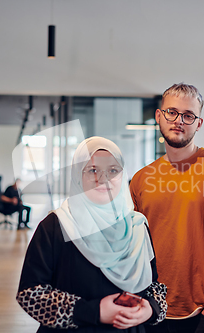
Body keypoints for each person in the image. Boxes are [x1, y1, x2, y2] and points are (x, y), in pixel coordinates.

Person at [130, 83, 204, 333]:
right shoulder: (141, 179)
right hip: (155, 310)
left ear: (198, 123)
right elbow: (138, 248)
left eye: (188, 115)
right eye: (172, 112)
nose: (179, 121)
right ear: (159, 116)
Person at [17, 137, 167, 332]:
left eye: (113, 170)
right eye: (93, 170)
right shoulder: (56, 225)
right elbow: (30, 295)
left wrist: (150, 309)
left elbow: (154, 286)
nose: (103, 178)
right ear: (79, 176)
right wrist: (92, 311)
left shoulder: (137, 226)